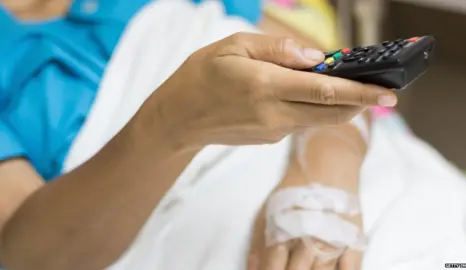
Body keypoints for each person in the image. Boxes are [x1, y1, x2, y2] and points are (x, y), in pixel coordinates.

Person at [0, 0, 397, 269]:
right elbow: (25, 255)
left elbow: (328, 73)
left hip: (347, 178)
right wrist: (173, 122)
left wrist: (319, 193)